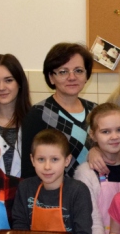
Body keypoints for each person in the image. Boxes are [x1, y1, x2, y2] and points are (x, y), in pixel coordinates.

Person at [11, 129, 93, 234]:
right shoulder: (25, 187)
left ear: (67, 160)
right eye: (41, 159)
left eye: (54, 159)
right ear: (32, 160)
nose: (47, 167)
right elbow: (20, 227)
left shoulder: (78, 191)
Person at [20, 43, 96, 179]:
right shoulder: (38, 114)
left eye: (78, 71)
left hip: (96, 190)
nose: (72, 77)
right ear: (51, 77)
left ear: (86, 75)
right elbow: (29, 171)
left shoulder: (96, 112)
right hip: (56, 191)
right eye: (63, 72)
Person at [74, 103, 120, 234]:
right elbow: (91, 217)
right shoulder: (86, 173)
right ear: (93, 135)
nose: (114, 136)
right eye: (105, 132)